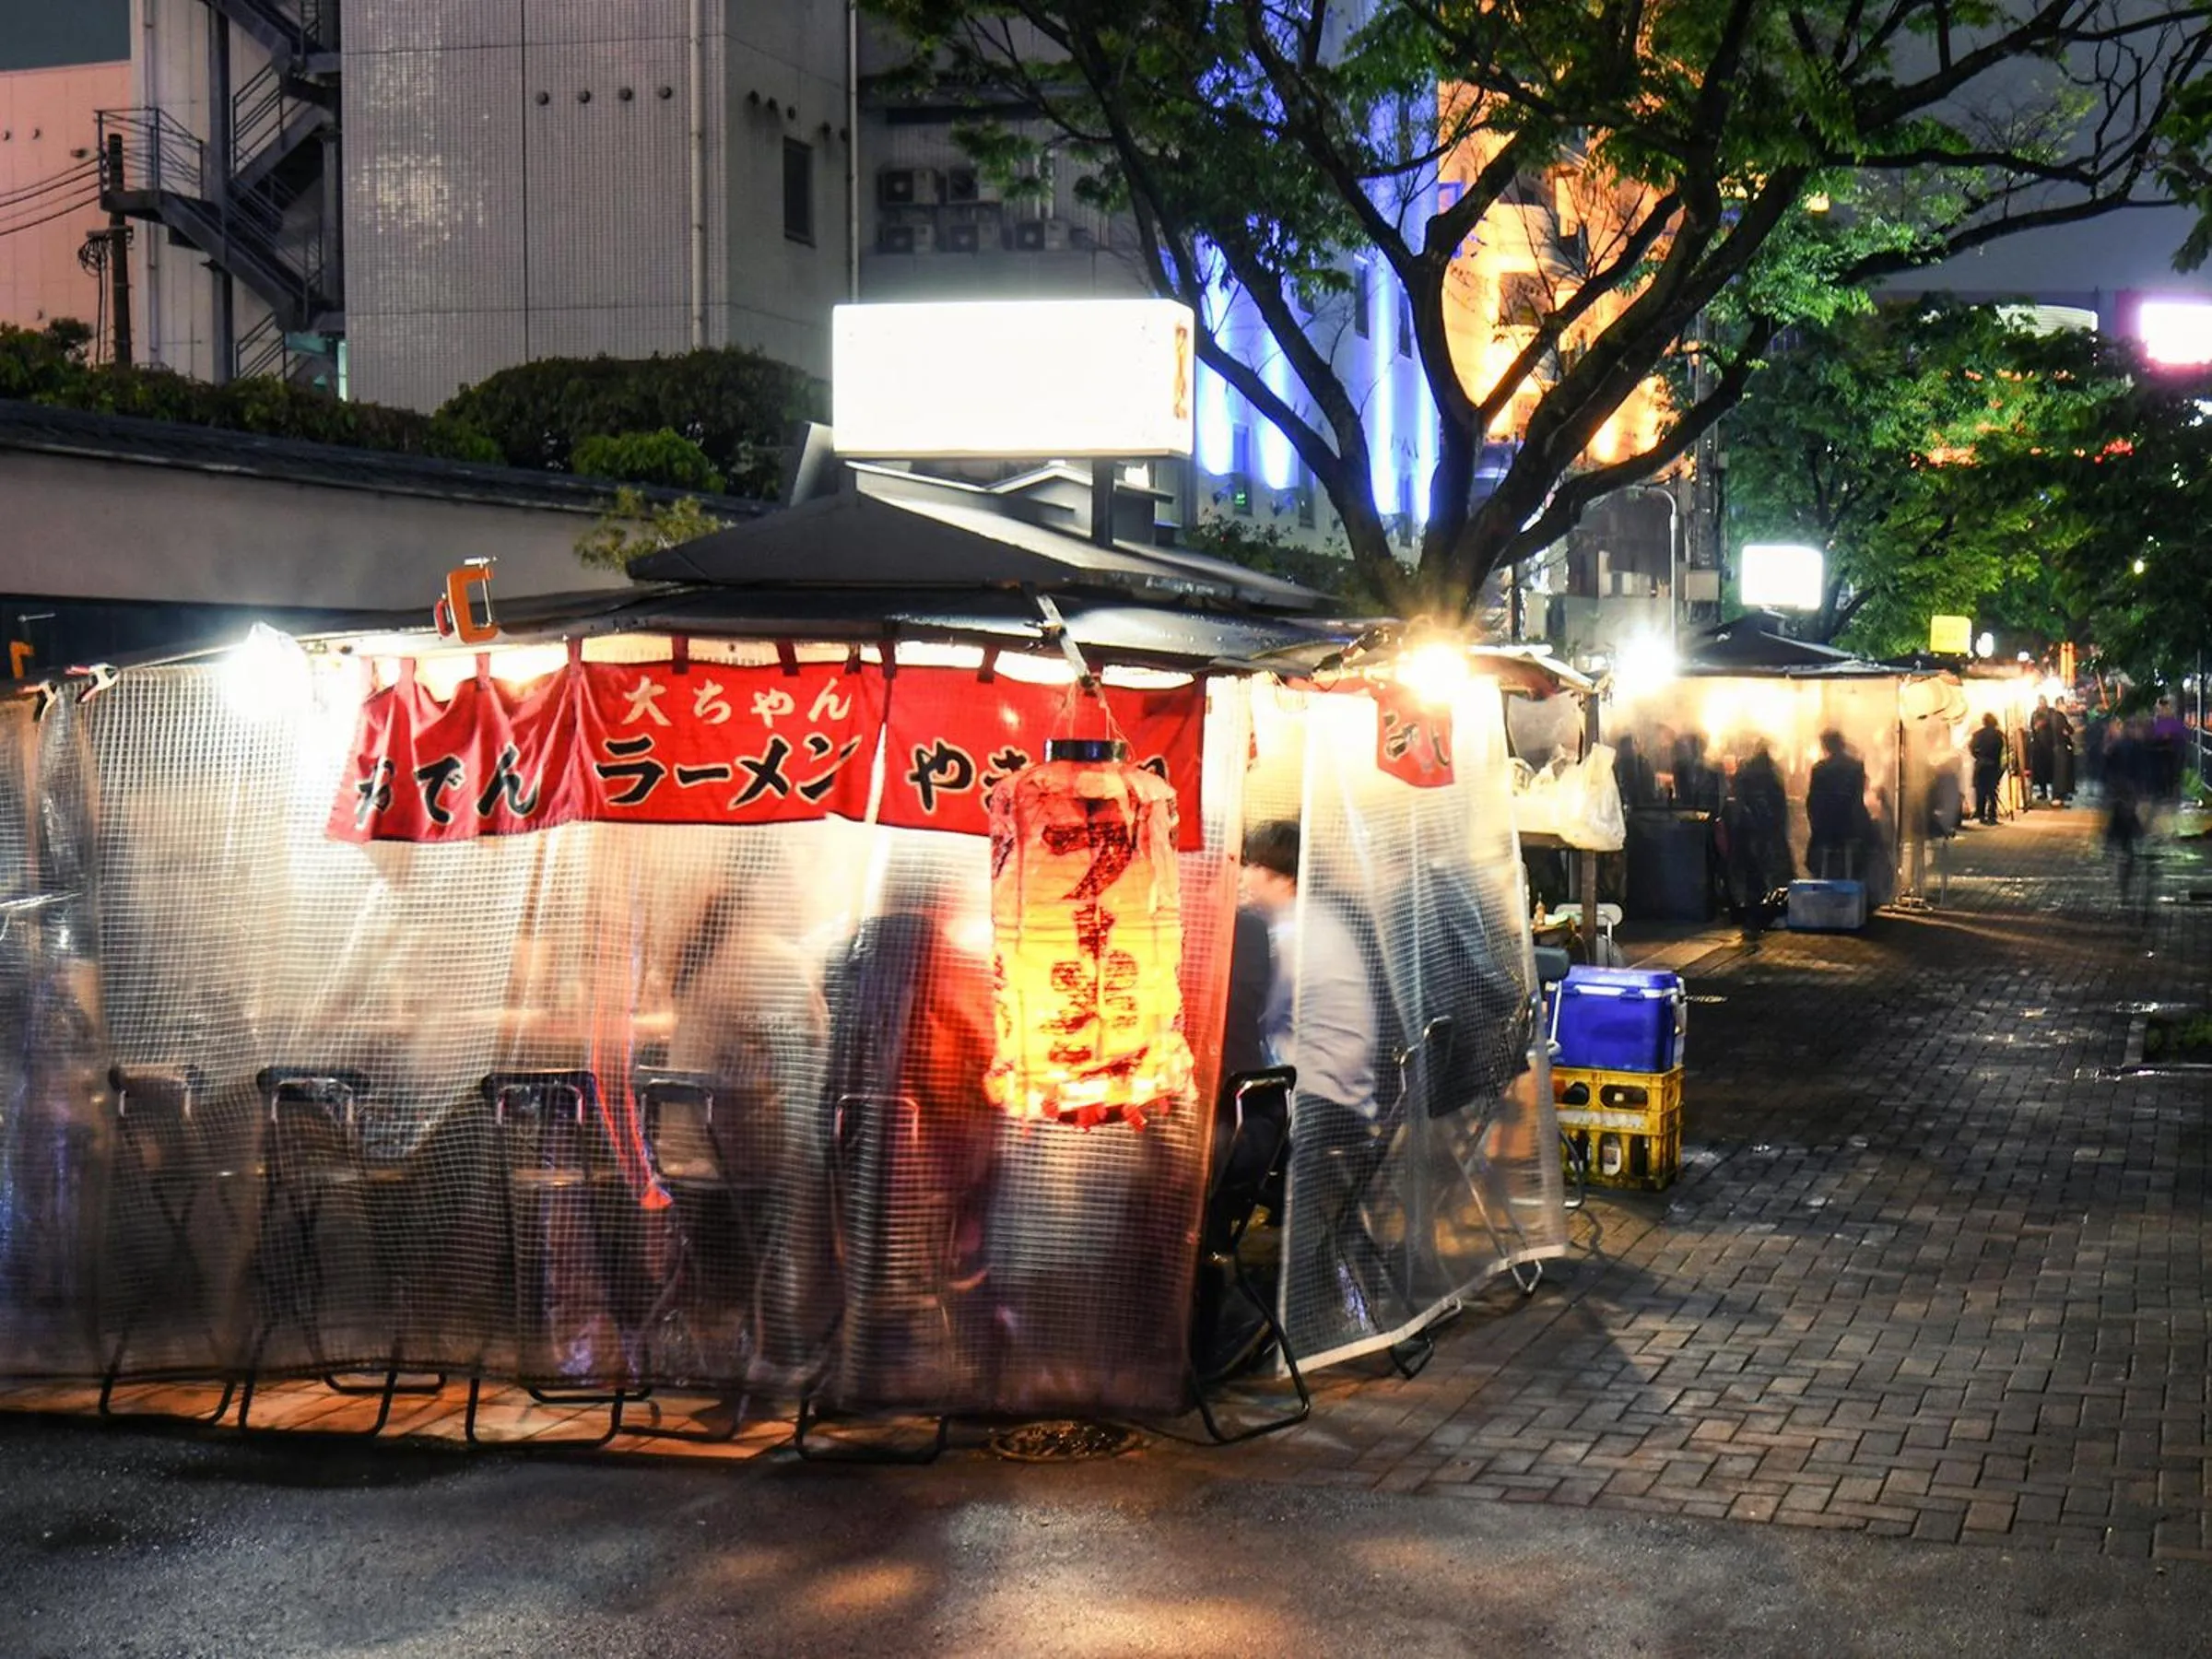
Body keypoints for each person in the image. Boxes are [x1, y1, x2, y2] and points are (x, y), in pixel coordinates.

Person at [1239, 819, 1389, 1335]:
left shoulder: (1288, 938)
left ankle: (1235, 1306)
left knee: (1207, 1155)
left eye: (1255, 866)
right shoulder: (1321, 923)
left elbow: (1254, 1018)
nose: (1243, 875)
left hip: (1322, 1108)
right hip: (1352, 1095)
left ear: (1286, 880)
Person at [1725, 738, 1793, 938]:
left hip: (1749, 832)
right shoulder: (1772, 774)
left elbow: (1738, 801)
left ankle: (1752, 915)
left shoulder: (1745, 774)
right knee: (1769, 875)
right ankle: (1767, 914)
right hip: (1767, 832)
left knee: (1751, 876)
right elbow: (1780, 807)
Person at [1805, 729, 1874, 880]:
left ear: (1825, 746)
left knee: (1814, 854)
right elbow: (1857, 800)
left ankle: (1821, 884)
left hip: (1826, 829)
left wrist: (1816, 825)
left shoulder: (1819, 769)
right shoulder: (1856, 767)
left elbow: (1812, 801)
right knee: (1874, 842)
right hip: (1850, 828)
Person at [1968, 712, 2006, 826]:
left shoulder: (1977, 734)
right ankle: (1992, 815)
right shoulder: (1998, 735)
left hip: (1980, 764)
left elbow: (1971, 747)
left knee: (1981, 791)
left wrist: (1977, 756)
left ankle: (1981, 815)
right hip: (1992, 765)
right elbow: (2000, 751)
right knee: (1992, 791)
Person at [2029, 696, 2056, 803]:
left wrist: (2043, 723)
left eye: (2043, 702)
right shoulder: (2035, 713)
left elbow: (2053, 725)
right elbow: (2032, 727)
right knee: (2040, 771)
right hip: (2038, 747)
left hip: (2049, 746)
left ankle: (2055, 793)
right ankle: (2043, 791)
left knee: (2052, 770)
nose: (2041, 704)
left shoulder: (2051, 713)